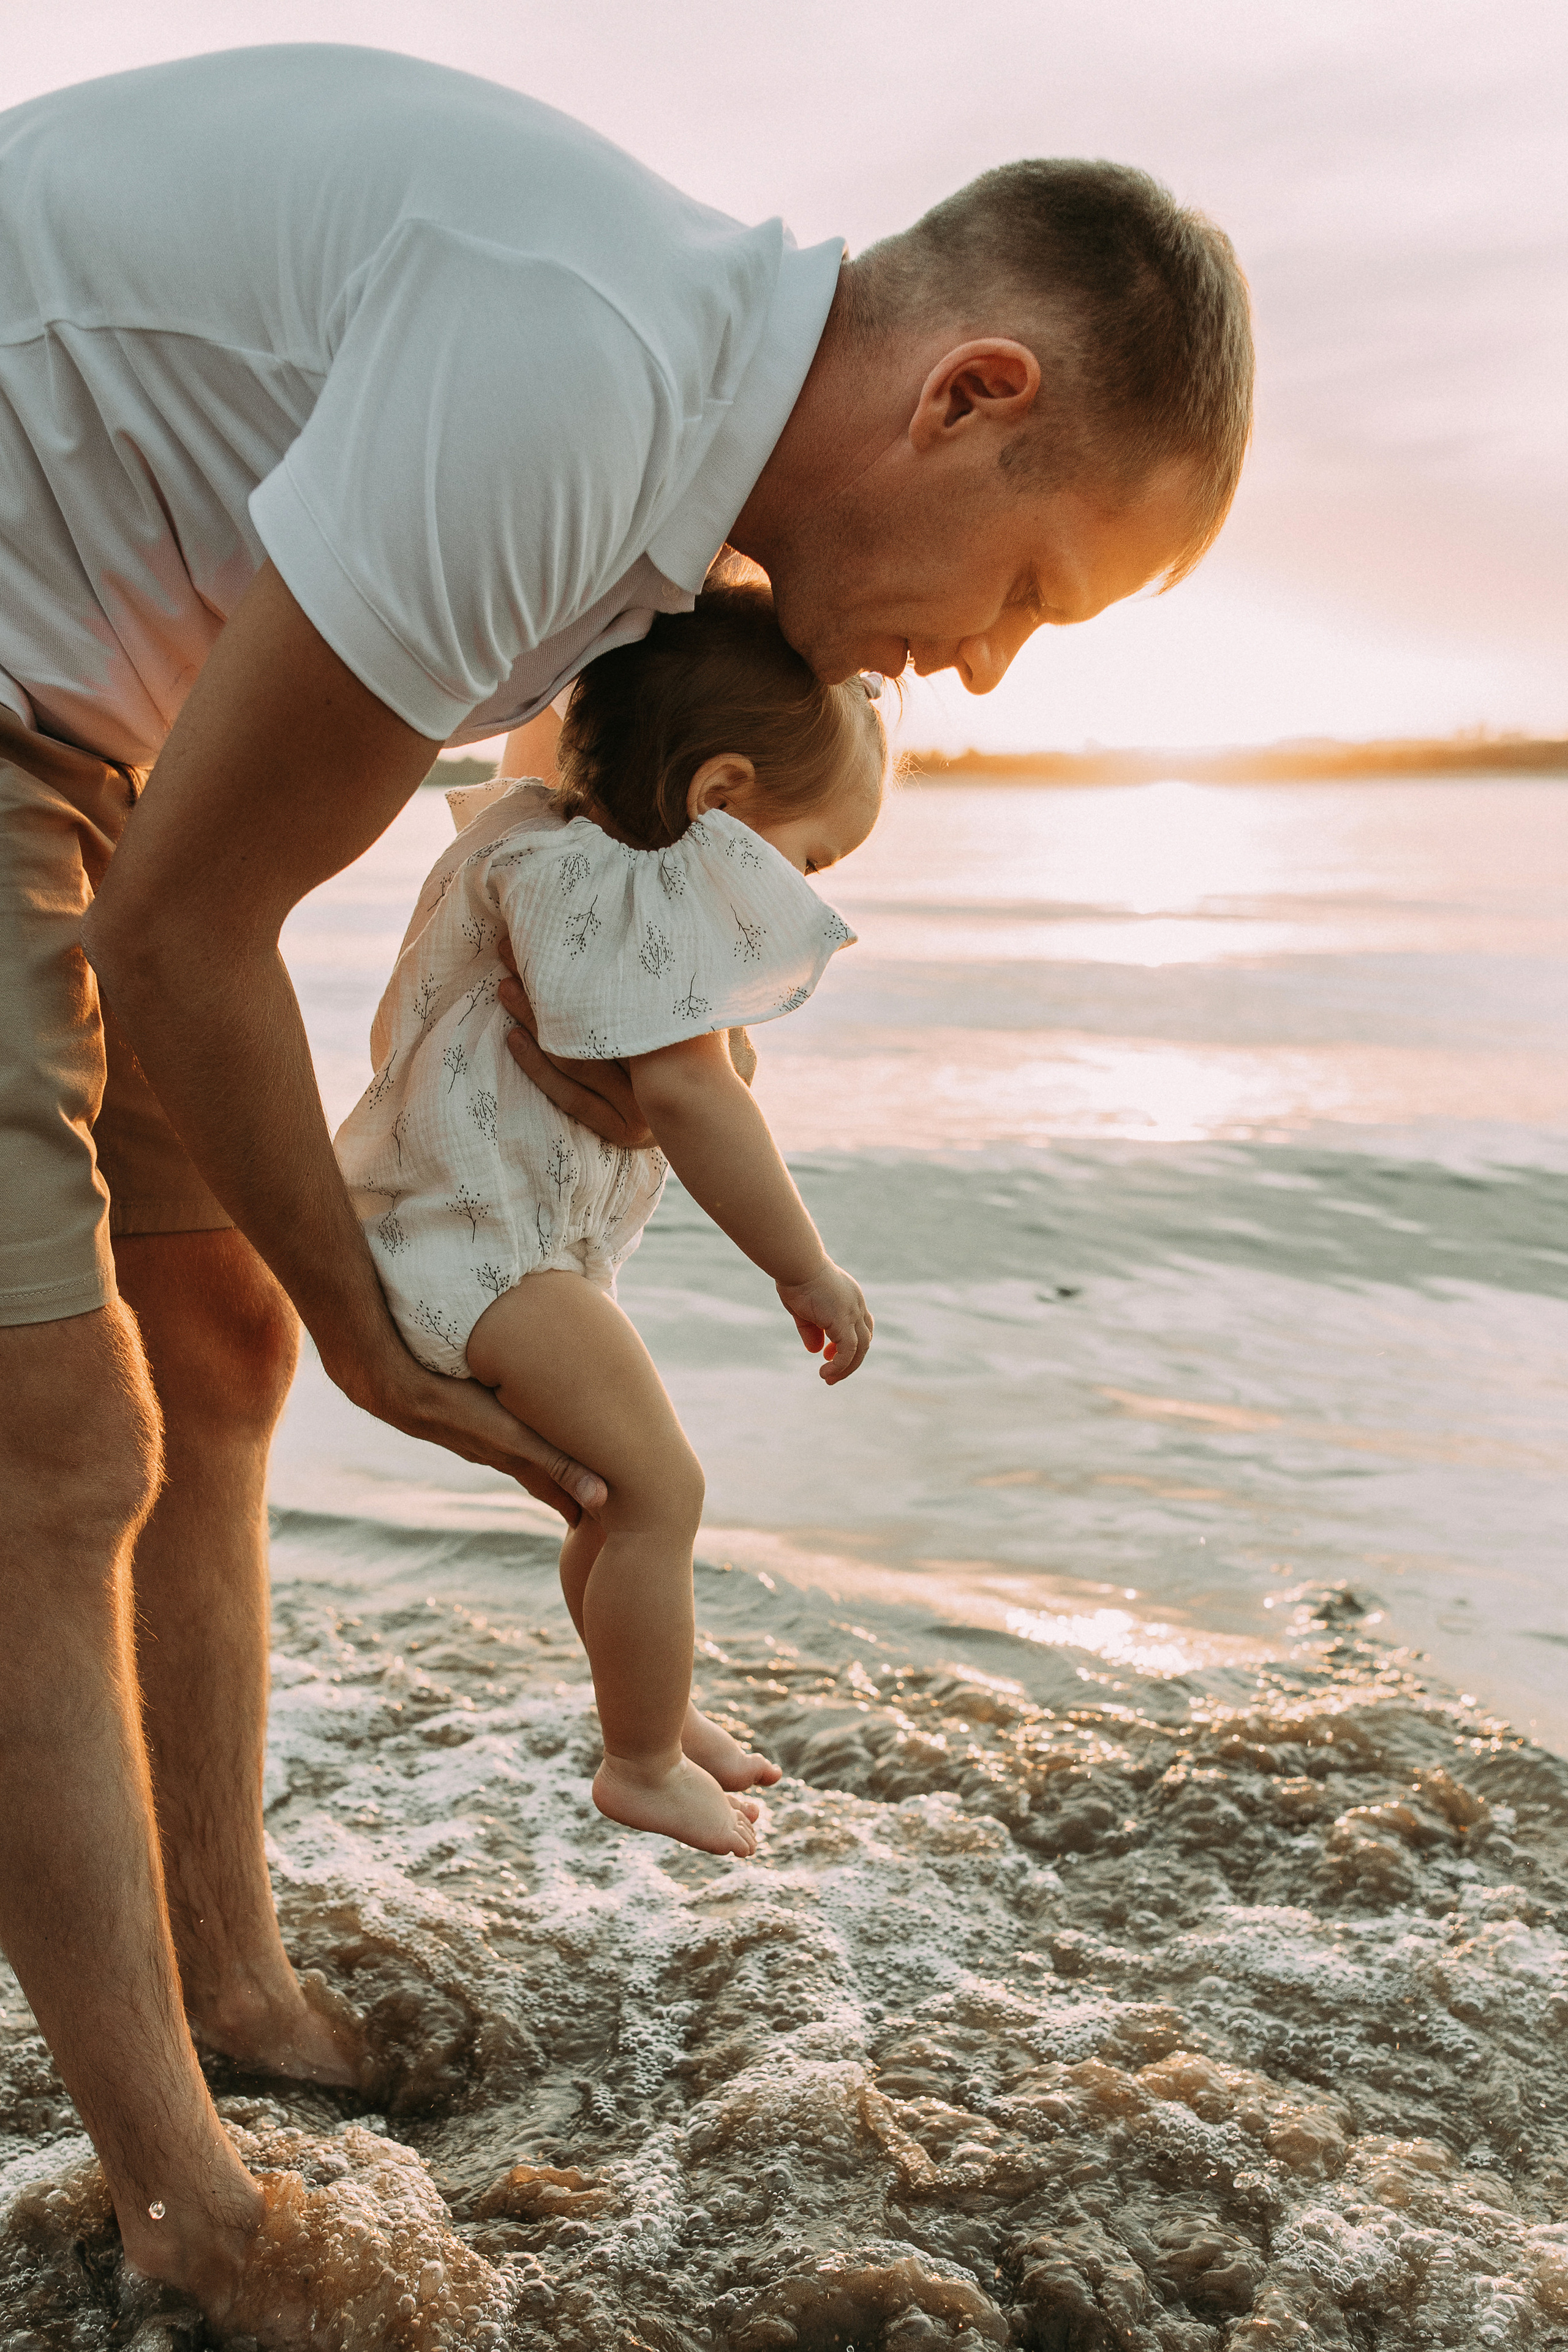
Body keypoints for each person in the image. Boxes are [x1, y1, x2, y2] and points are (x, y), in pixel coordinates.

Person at [0, 40, 1253, 2335]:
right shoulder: (574, 372)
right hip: (24, 695)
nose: (986, 666)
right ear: (971, 393)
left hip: (109, 717)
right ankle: (184, 2205)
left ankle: (234, 1983)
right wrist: (384, 1332)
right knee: (51, 1442)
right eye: (1030, 589)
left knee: (214, 1343)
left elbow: (443, 875)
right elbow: (186, 935)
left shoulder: (661, 483)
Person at [337, 585, 882, 1860]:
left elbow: (570, 717)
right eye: (808, 862)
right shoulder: (632, 899)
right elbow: (695, 1096)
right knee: (660, 1491)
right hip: (493, 1259)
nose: (799, 893)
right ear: (720, 798)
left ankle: (653, 1699)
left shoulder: (540, 835)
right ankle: (640, 1761)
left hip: (485, 1237)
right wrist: (805, 1268)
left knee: (619, 1503)